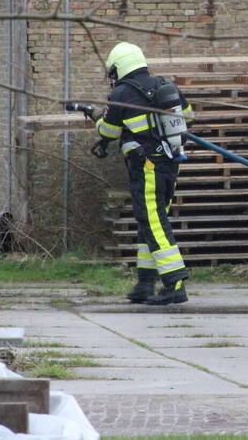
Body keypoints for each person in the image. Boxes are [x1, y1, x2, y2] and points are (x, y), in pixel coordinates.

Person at [92, 42, 194, 305]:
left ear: (119, 67)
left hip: (148, 166)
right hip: (170, 162)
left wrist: (96, 118)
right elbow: (188, 116)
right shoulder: (164, 85)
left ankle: (175, 283)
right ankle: (145, 282)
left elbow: (108, 131)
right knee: (150, 221)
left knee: (154, 222)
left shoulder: (121, 94)